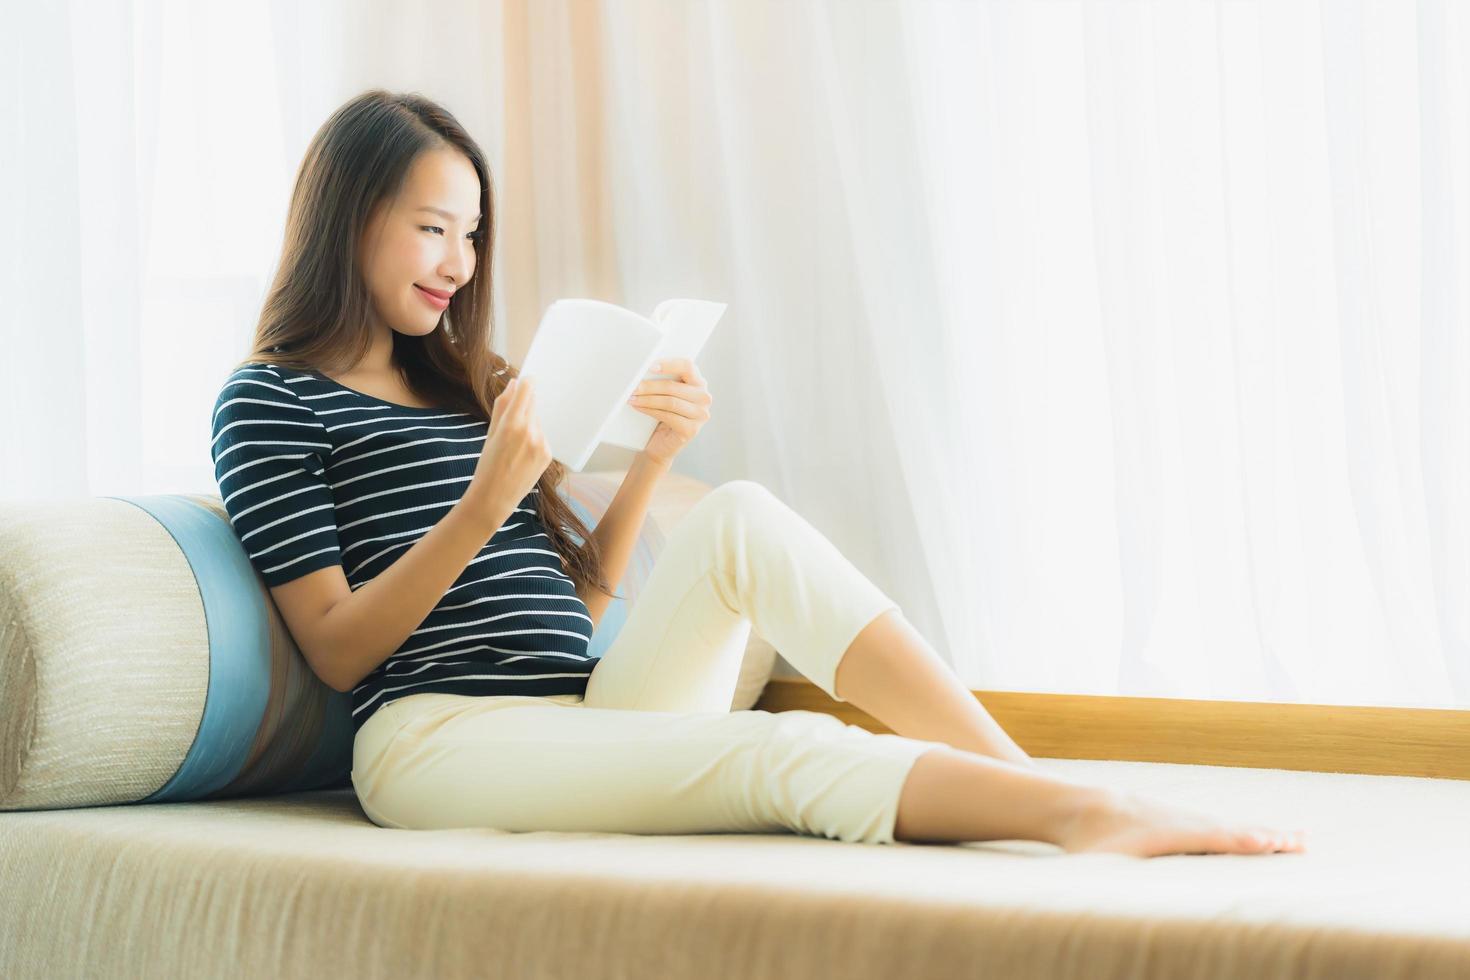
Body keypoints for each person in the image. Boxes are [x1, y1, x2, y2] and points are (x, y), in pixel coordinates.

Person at [209, 88, 1307, 858]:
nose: (461, 262)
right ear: (351, 222)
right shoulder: (268, 401)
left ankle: (1031, 775)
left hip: (582, 701)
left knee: (736, 514)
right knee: (777, 750)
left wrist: (651, 463)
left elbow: (573, 609)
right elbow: (340, 648)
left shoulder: (470, 381)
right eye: (434, 228)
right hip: (435, 738)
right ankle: (1067, 819)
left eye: (474, 235)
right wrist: (484, 499)